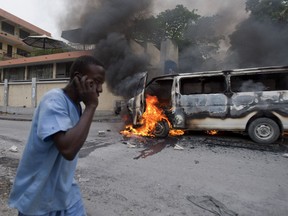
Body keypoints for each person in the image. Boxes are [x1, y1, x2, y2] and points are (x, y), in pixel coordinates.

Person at [8, 55, 105, 216]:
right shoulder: (53, 100)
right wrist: (92, 106)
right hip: (39, 194)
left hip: (65, 190)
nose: (100, 89)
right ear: (78, 78)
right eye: (96, 82)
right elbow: (68, 149)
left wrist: (87, 107)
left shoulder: (76, 106)